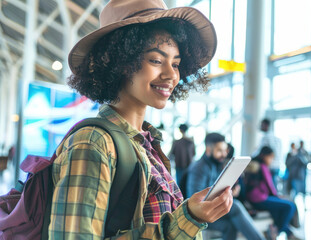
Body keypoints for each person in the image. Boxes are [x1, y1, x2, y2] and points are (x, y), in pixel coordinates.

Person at [49, 1, 234, 239]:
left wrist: (192, 216)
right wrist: (188, 219)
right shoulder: (93, 143)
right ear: (120, 63)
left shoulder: (147, 144)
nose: (171, 75)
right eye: (156, 60)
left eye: (176, 64)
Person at [187, 133, 265, 240]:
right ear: (208, 150)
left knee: (230, 225)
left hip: (212, 212)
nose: (224, 154)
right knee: (236, 206)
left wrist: (230, 191)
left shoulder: (215, 164)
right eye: (220, 151)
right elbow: (195, 201)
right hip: (200, 217)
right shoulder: (199, 168)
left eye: (225, 150)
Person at [246, 146, 300, 240]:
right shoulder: (262, 166)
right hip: (259, 198)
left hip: (253, 198)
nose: (271, 160)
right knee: (290, 206)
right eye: (271, 157)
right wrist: (277, 197)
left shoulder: (254, 163)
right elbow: (269, 184)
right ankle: (277, 232)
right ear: (265, 156)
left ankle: (288, 233)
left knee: (277, 210)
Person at [255, 118, 283, 189]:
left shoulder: (267, 138)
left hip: (271, 166)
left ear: (266, 125)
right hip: (276, 165)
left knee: (271, 188)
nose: (261, 126)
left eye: (262, 125)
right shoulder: (274, 137)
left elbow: (272, 152)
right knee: (273, 186)